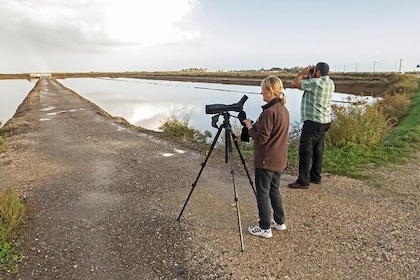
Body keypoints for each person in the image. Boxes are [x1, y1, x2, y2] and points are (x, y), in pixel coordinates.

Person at [242, 75, 289, 238]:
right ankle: (279, 221)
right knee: (274, 190)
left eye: (262, 90)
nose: (261, 93)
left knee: (262, 192)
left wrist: (249, 126)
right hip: (279, 159)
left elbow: (261, 138)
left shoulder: (269, 112)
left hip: (266, 160)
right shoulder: (283, 109)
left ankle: (264, 227)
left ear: (269, 91)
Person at [288, 62, 335, 189]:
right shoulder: (330, 82)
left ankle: (303, 180)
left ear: (318, 72)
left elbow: (294, 83)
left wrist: (303, 72)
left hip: (313, 121)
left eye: (314, 70)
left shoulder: (316, 83)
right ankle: (315, 176)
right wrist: (312, 74)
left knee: (305, 150)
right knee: (318, 150)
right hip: (325, 121)